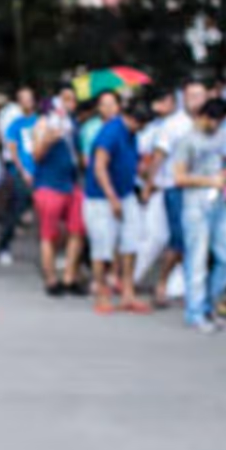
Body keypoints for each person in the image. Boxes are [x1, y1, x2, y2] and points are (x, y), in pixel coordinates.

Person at [174, 99, 226, 333]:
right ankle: (195, 312)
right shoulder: (186, 141)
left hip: (221, 202)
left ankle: (208, 303)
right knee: (197, 259)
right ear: (202, 116)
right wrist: (209, 181)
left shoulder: (223, 136)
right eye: (213, 120)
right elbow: (179, 178)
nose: (216, 125)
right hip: (195, 203)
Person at [83, 91, 150, 314]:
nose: (140, 129)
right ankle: (102, 293)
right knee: (102, 247)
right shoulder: (110, 132)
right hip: (100, 198)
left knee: (131, 243)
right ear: (130, 118)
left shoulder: (132, 134)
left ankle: (128, 293)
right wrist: (112, 197)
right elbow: (99, 166)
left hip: (127, 192)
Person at [138, 81, 204, 306]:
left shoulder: (208, 125)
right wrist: (148, 186)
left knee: (191, 241)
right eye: (192, 96)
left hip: (199, 190)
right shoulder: (174, 125)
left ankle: (180, 286)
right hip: (172, 188)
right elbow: (158, 156)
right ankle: (158, 283)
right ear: (183, 98)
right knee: (174, 239)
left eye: (200, 96)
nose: (197, 100)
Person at [32, 87, 87, 296]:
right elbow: (36, 155)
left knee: (77, 231)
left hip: (71, 184)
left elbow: (79, 155)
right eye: (65, 99)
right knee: (49, 234)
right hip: (49, 185)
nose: (69, 103)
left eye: (72, 100)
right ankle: (51, 279)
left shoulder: (73, 124)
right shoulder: (44, 123)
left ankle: (69, 276)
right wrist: (48, 139)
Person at [0, 87, 38, 265]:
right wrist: (22, 170)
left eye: (30, 98)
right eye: (24, 99)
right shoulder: (15, 124)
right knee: (15, 209)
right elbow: (12, 150)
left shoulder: (40, 121)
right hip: (23, 171)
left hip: (41, 171)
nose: (27, 102)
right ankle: (3, 246)